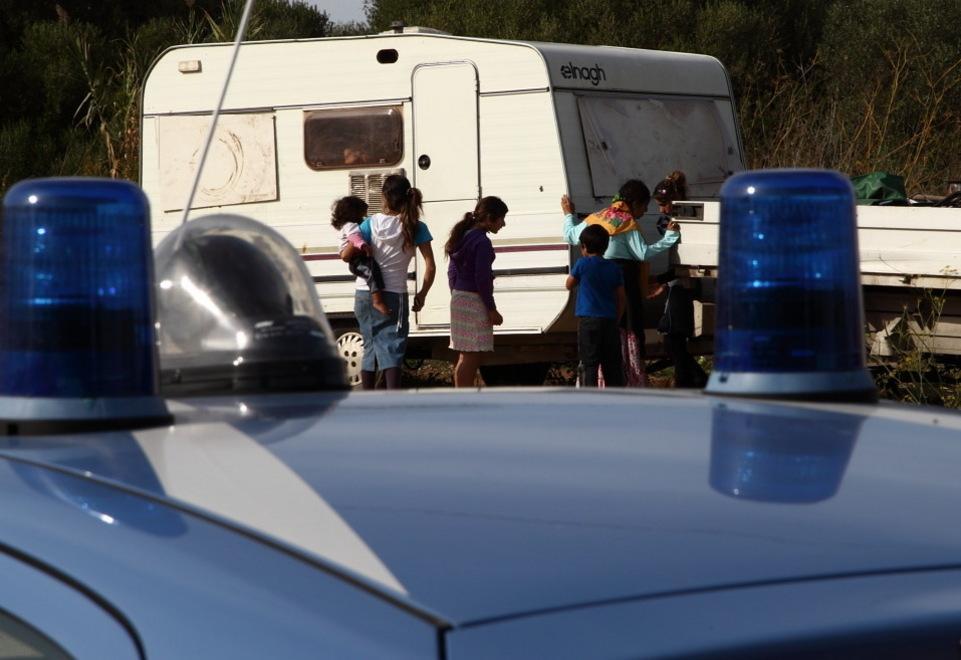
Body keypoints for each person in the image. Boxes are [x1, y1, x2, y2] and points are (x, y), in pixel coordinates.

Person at [561, 180, 680, 386]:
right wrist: (670, 236)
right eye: (643, 207)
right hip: (622, 280)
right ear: (634, 203)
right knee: (624, 333)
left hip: (593, 298)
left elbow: (570, 236)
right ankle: (628, 382)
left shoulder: (598, 217)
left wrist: (568, 215)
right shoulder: (626, 222)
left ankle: (593, 386)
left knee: (593, 352)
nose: (643, 212)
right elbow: (642, 253)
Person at [342, 174, 436, 390]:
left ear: (384, 197)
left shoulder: (369, 224)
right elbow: (430, 265)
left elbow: (347, 255)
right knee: (392, 346)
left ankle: (369, 401)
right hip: (394, 294)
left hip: (364, 293)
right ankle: (393, 401)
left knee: (370, 344)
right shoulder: (415, 226)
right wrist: (422, 294)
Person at [649, 170, 707, 388]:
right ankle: (692, 380)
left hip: (684, 283)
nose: (662, 210)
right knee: (674, 340)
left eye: (664, 205)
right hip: (677, 282)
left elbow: (687, 260)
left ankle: (693, 381)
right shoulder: (669, 221)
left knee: (673, 338)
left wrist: (661, 279)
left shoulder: (688, 219)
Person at [446, 196, 508, 387]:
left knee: (464, 353)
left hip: (459, 296)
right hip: (474, 300)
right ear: (489, 218)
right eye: (501, 219)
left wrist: (456, 293)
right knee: (472, 354)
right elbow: (482, 278)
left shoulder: (463, 236)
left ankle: (462, 393)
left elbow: (452, 271)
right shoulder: (481, 242)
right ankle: (463, 398)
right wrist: (491, 309)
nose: (503, 224)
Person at [566, 224, 626, 387]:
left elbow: (569, 284)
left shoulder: (582, 264)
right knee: (612, 363)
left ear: (584, 247)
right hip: (609, 321)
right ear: (606, 247)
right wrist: (617, 318)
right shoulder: (614, 268)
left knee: (589, 363)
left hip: (589, 321)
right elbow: (621, 298)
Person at [331, 196, 390, 316]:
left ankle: (378, 295)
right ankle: (377, 301)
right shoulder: (350, 225)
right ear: (354, 212)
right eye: (363, 213)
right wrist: (363, 246)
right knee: (371, 272)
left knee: (374, 271)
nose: (364, 216)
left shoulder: (350, 225)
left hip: (356, 259)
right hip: (356, 260)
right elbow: (354, 238)